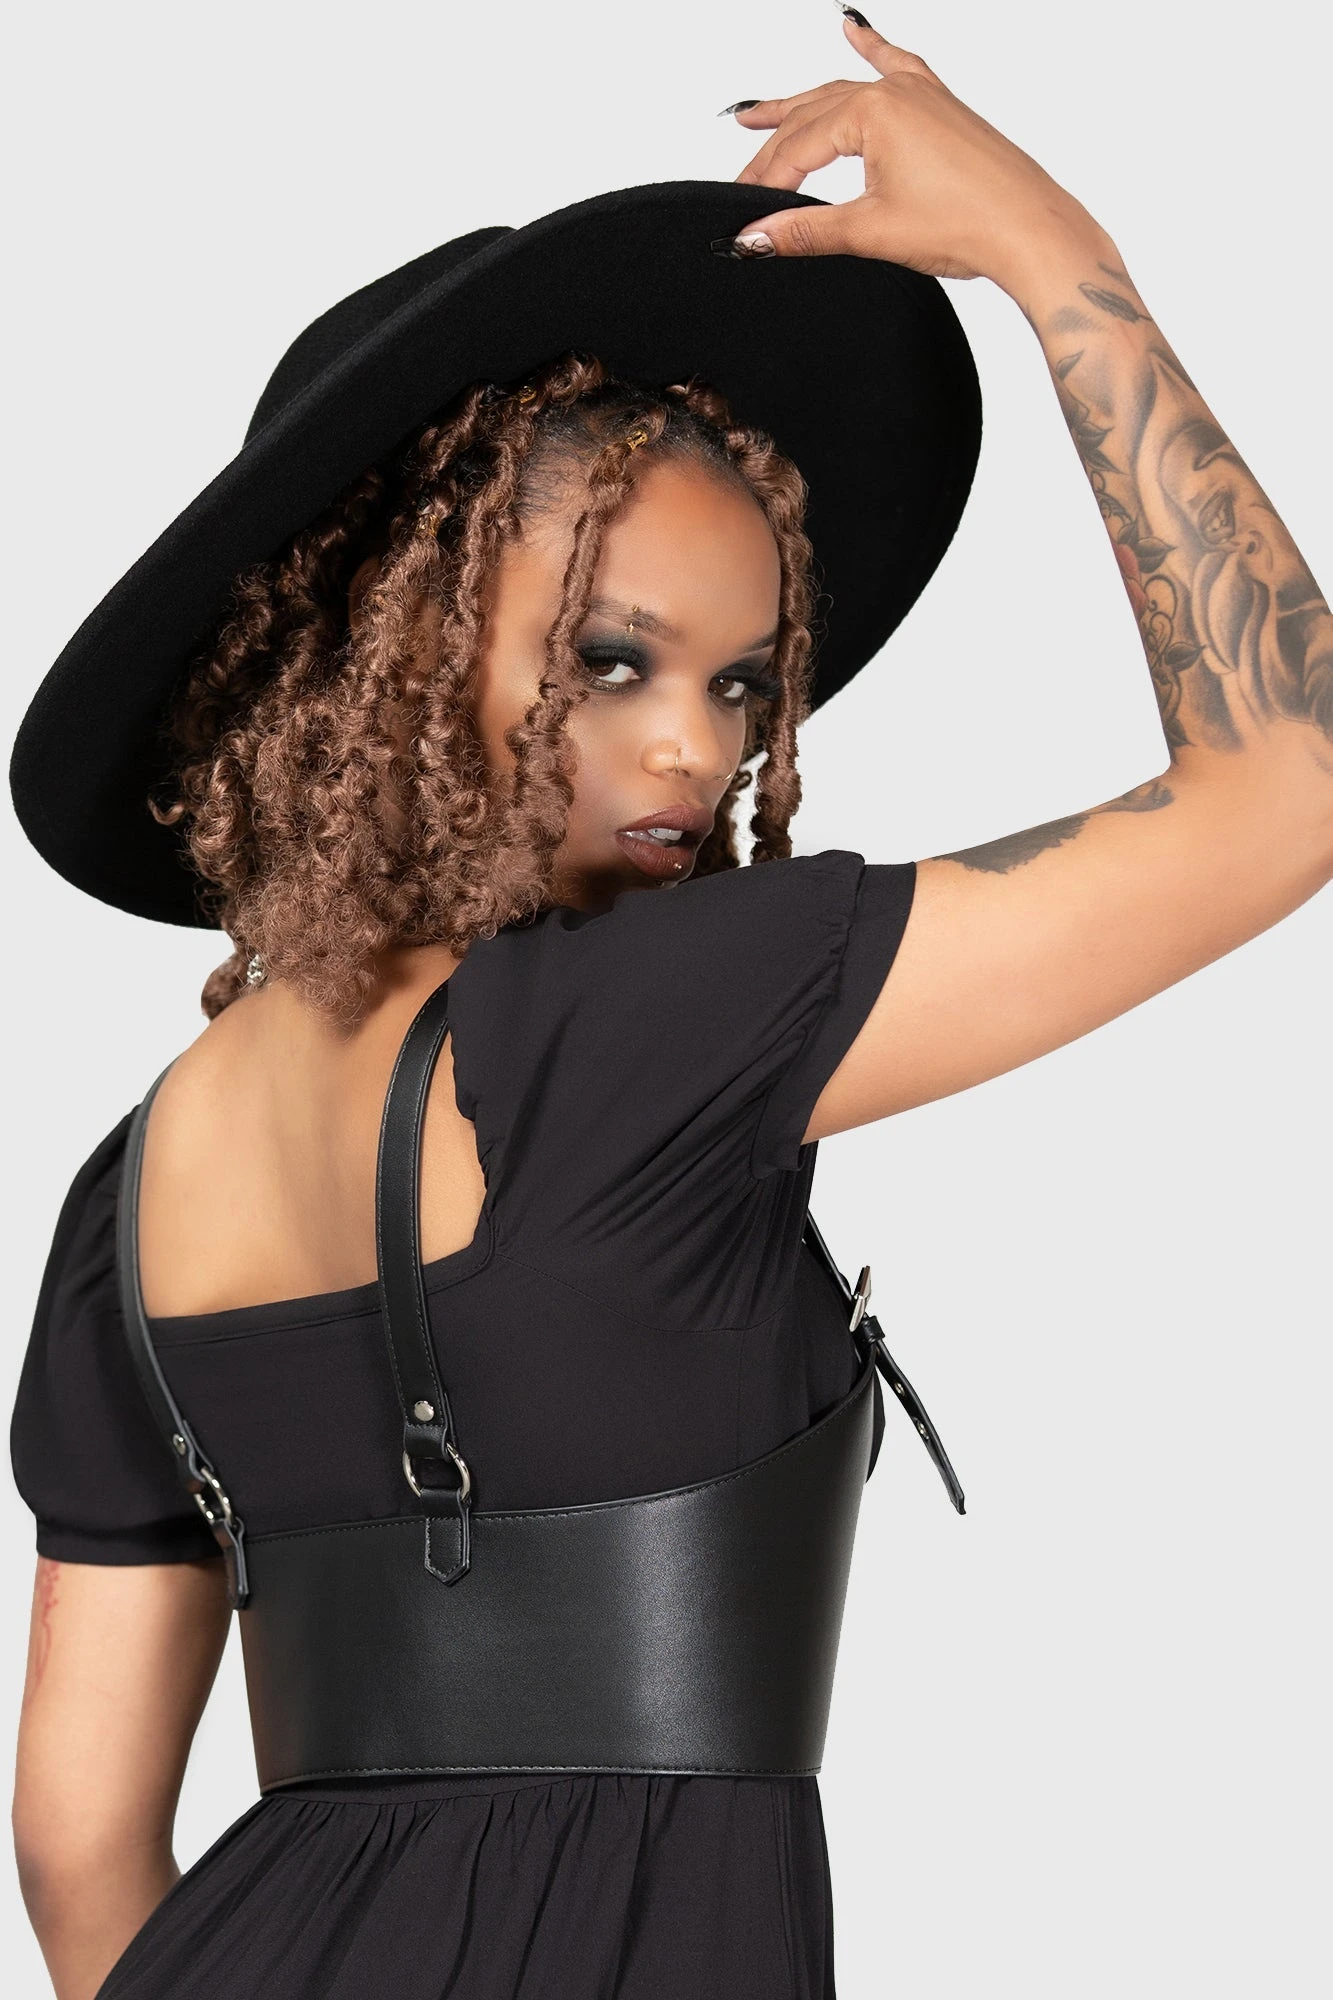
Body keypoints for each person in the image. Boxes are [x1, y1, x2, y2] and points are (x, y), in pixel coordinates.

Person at [9, 16, 1330, 2000]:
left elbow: (76, 1839)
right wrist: (1060, 256)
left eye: (737, 684)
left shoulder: (126, 1197)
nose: (694, 753)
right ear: (394, 647)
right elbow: (1292, 782)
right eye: (610, 662)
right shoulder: (655, 1026)